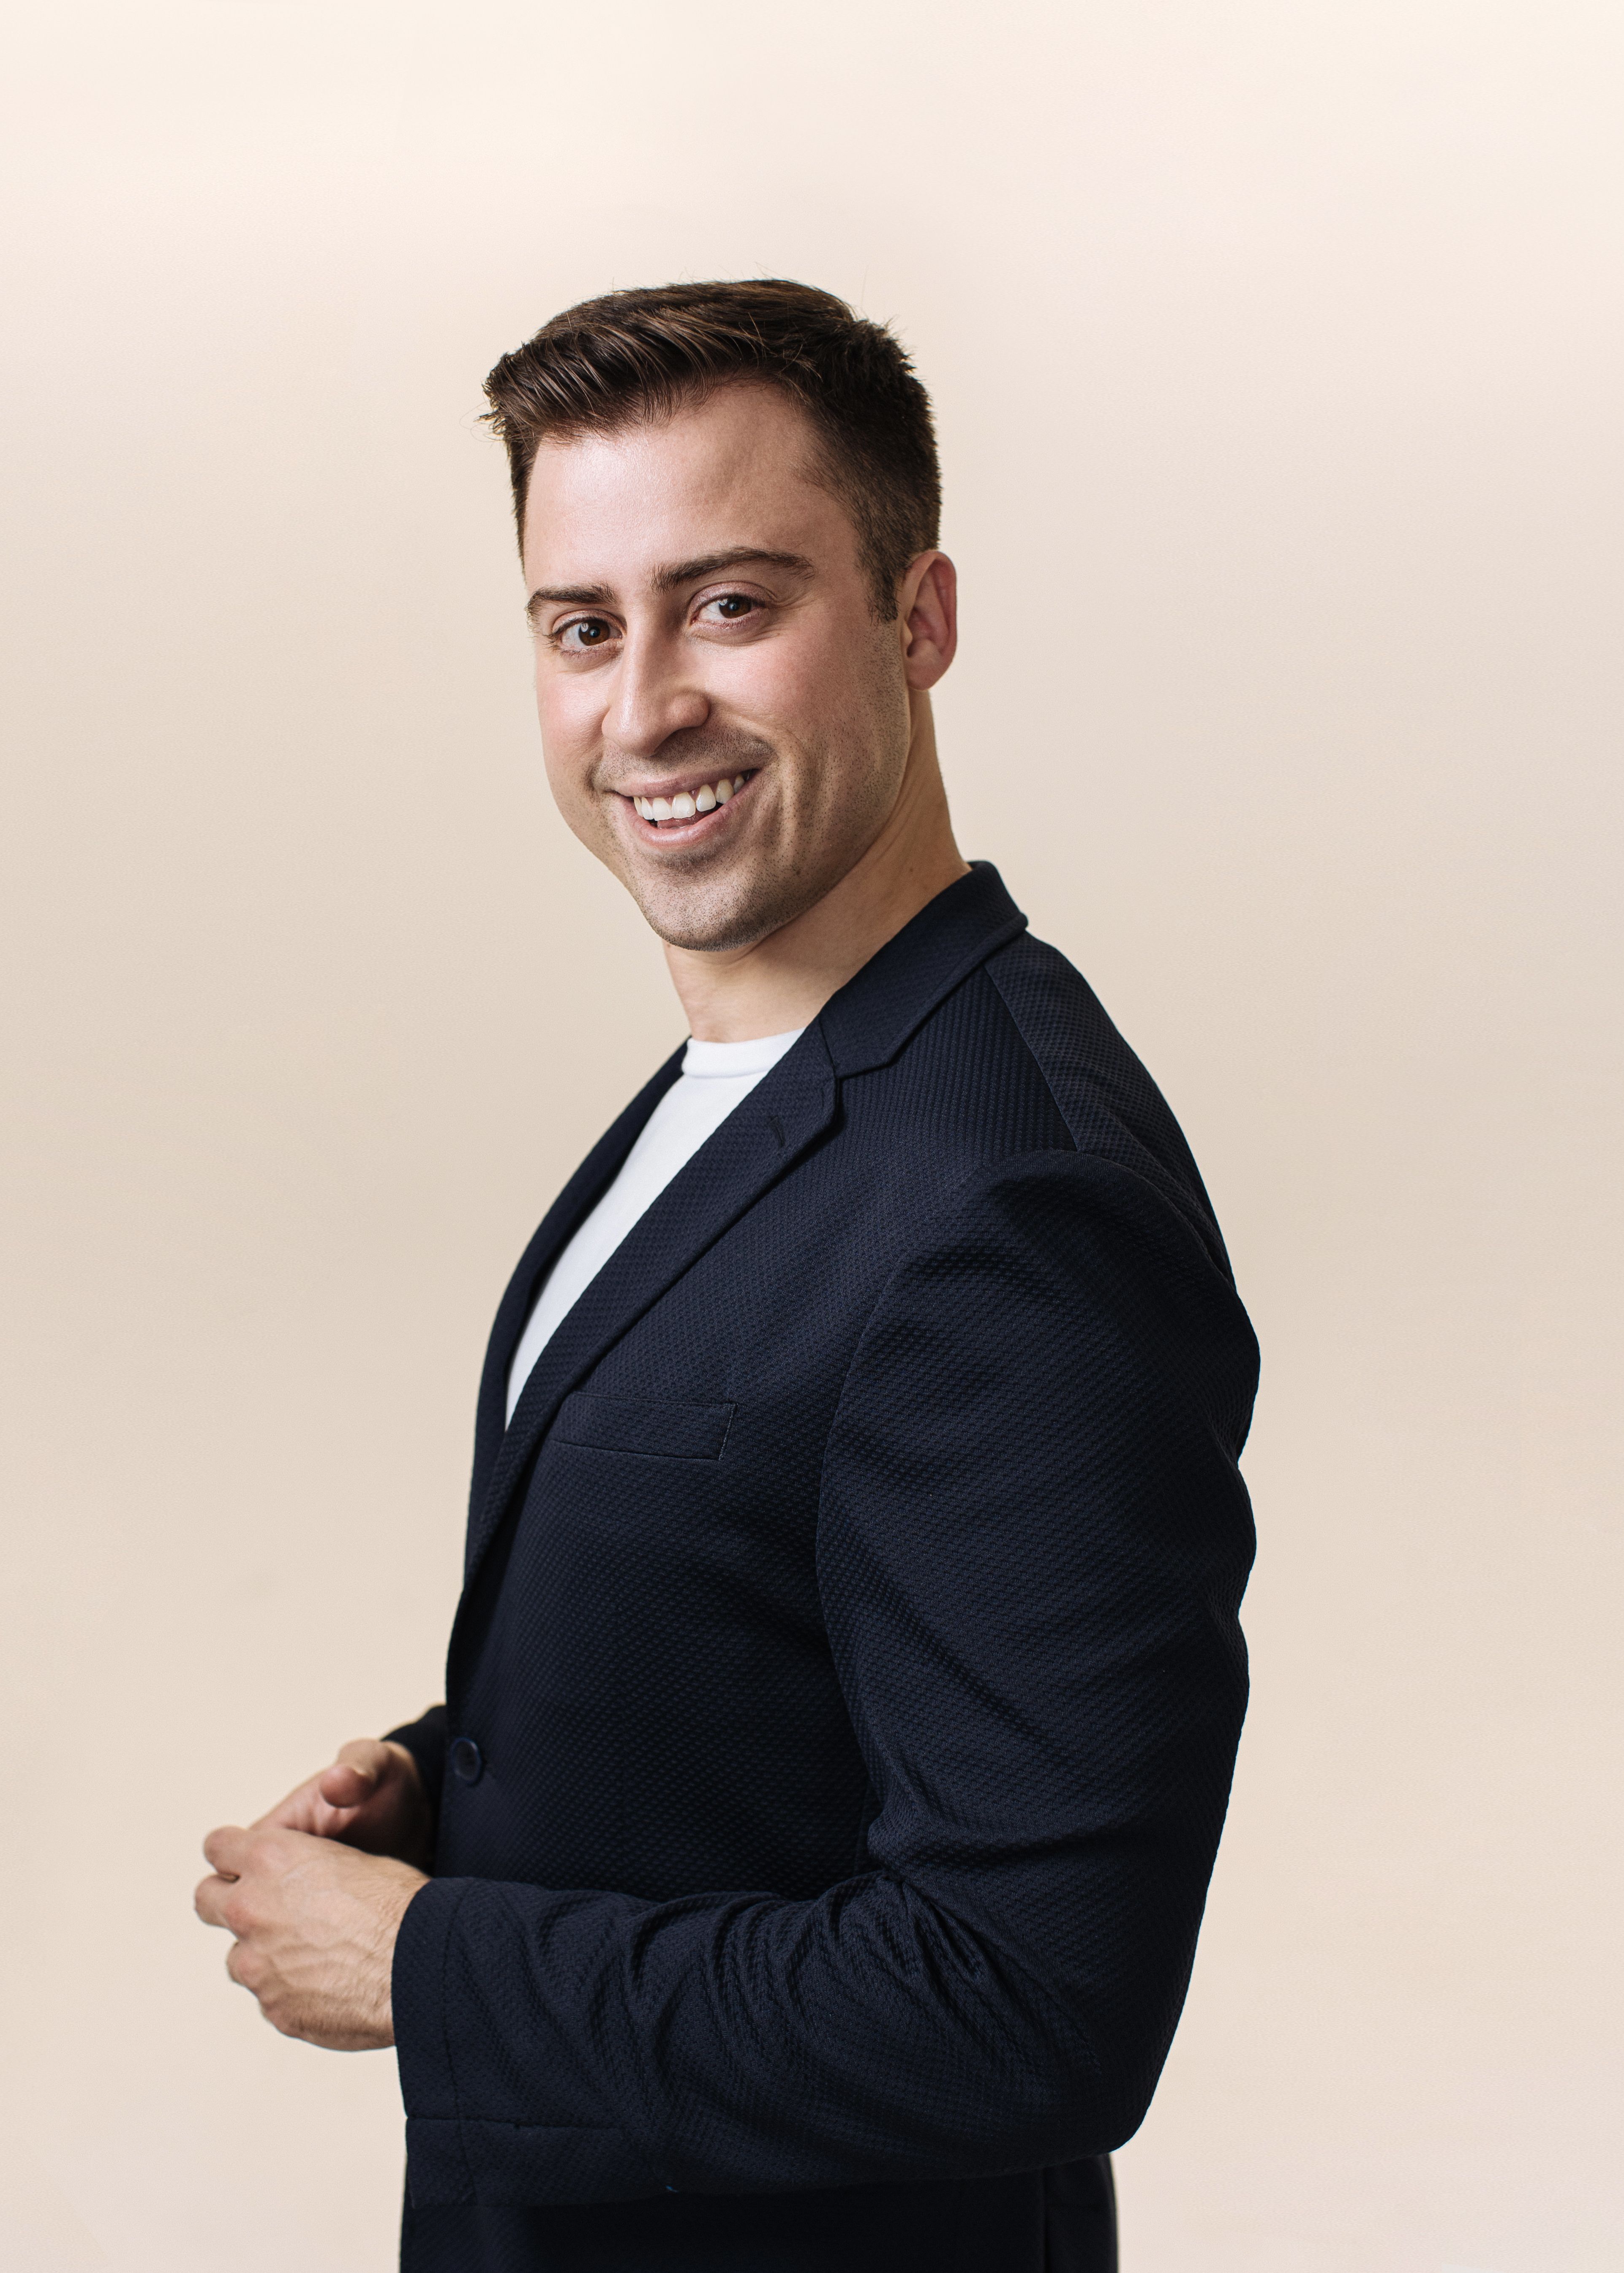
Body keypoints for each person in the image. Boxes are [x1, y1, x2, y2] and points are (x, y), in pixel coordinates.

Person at [195, 279, 1259, 2273]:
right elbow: (795, 1619)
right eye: (581, 627)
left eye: (732, 605)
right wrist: (458, 1782)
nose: (644, 704)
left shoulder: (1009, 1199)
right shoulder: (741, 1088)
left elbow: (1030, 1998)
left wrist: (439, 1970)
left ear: (919, 620)